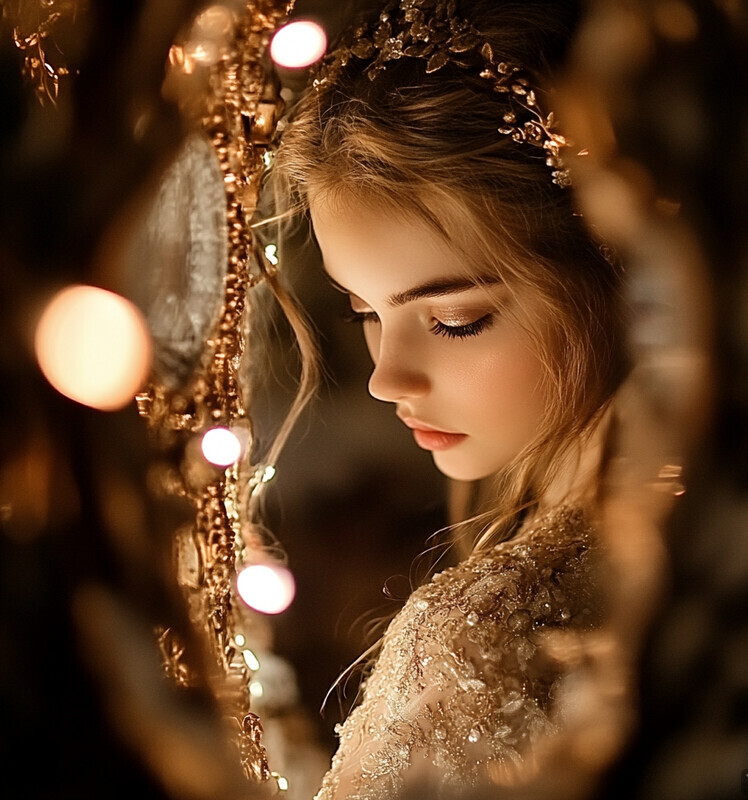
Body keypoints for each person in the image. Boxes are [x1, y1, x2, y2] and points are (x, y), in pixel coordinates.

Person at [263, 0, 628, 797]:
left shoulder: (484, 637)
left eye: (455, 320)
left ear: (616, 276)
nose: (386, 378)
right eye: (364, 311)